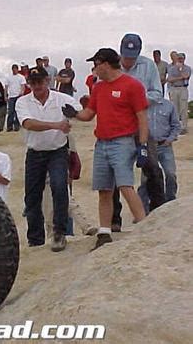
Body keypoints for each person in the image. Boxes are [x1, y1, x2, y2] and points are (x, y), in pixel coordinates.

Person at [63, 48, 148, 250]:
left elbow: (142, 118)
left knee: (125, 185)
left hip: (123, 141)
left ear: (105, 64)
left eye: (96, 64)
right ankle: (105, 231)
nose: (93, 69)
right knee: (104, 189)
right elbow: (90, 113)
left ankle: (144, 227)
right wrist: (74, 113)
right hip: (102, 142)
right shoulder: (99, 88)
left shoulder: (132, 86)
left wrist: (142, 146)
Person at [15, 70, 81, 252]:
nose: (37, 86)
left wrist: (74, 116)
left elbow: (80, 111)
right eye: (33, 82)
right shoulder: (23, 102)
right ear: (29, 83)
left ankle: (59, 232)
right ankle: (35, 239)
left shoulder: (61, 98)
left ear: (48, 80)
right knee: (32, 195)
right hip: (35, 152)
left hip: (57, 151)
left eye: (40, 81)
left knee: (60, 187)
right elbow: (28, 124)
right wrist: (57, 125)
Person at [111, 33, 166, 231]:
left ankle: (159, 211)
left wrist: (135, 98)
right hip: (118, 128)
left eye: (132, 56)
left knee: (152, 167)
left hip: (142, 124)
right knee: (115, 171)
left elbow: (157, 94)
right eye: (126, 56)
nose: (128, 61)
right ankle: (114, 219)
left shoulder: (148, 66)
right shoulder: (112, 66)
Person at [138, 98, 181, 211]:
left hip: (164, 145)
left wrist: (170, 139)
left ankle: (170, 203)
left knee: (170, 174)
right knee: (145, 178)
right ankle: (143, 207)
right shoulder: (142, 106)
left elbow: (176, 125)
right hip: (149, 146)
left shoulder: (169, 106)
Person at [167, 52, 191, 134]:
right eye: (179, 58)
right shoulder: (171, 68)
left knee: (183, 108)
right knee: (175, 109)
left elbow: (187, 76)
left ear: (184, 59)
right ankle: (177, 127)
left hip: (183, 88)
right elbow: (169, 79)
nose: (180, 60)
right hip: (174, 88)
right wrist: (180, 77)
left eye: (181, 58)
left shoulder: (187, 68)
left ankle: (184, 127)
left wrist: (180, 70)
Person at [5, 64, 26, 132]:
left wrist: (22, 92)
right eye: (13, 69)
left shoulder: (21, 77)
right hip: (11, 96)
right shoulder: (8, 77)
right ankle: (9, 126)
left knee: (17, 111)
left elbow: (23, 86)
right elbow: (6, 87)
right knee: (11, 111)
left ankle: (16, 126)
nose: (14, 70)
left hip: (18, 96)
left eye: (15, 69)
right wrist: (5, 95)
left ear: (17, 69)